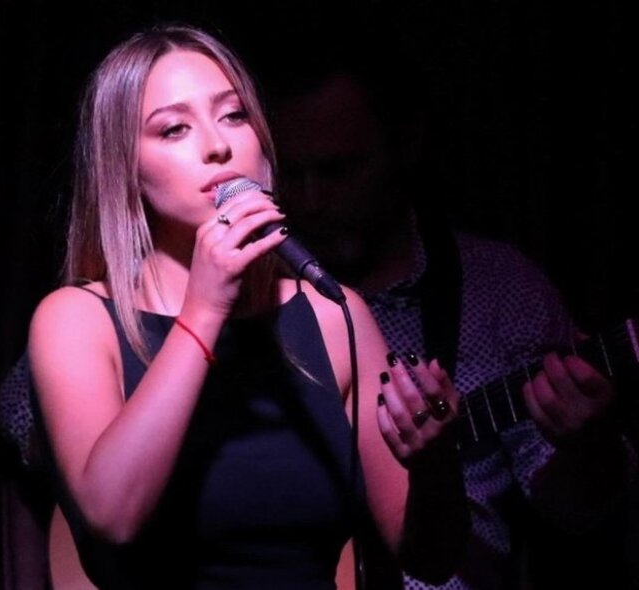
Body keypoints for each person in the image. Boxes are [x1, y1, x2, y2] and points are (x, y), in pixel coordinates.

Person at [21, 23, 470, 590]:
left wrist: (434, 464)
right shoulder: (77, 320)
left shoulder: (334, 316)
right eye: (174, 129)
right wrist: (203, 310)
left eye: (234, 115)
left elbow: (429, 558)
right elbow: (112, 516)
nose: (218, 145)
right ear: (126, 169)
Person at [268, 47, 638, 589]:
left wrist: (589, 444)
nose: (311, 200)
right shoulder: (248, 298)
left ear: (405, 146)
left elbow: (575, 513)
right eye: (290, 175)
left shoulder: (499, 289)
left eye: (338, 170)